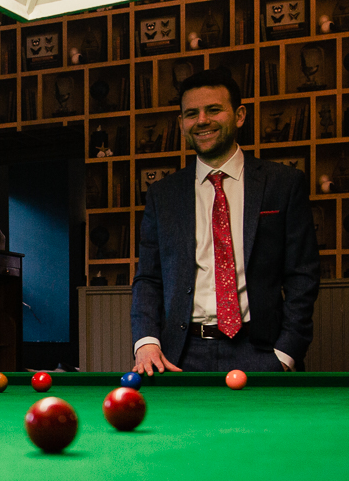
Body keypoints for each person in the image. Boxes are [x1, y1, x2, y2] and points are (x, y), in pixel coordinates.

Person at [131, 67, 319, 375]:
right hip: (180, 356)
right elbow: (149, 278)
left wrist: (286, 353)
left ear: (240, 115)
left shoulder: (283, 184)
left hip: (261, 352)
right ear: (182, 124)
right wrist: (147, 341)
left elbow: (303, 274)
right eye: (192, 113)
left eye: (213, 110)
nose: (202, 120)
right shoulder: (162, 194)